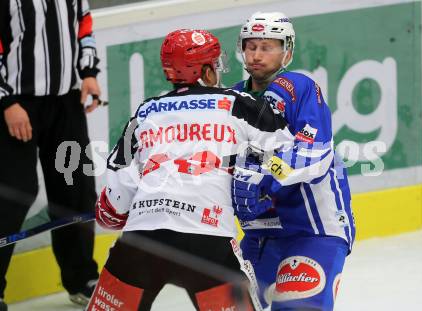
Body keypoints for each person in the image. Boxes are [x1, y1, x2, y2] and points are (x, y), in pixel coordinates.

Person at [87, 29, 298, 311]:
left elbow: (115, 198)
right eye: (215, 63)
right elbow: (288, 156)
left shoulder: (146, 112)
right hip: (208, 242)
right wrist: (255, 173)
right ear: (207, 72)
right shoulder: (239, 103)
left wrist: (109, 211)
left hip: (143, 240)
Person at [231, 12, 356, 311]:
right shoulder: (233, 96)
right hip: (259, 235)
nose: (257, 55)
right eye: (251, 46)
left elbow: (314, 157)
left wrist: (263, 174)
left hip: (313, 232)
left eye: (267, 47)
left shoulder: (298, 88)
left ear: (287, 50)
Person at [0, 0, 101, 309]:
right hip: (17, 105)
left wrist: (88, 71)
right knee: (13, 194)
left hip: (65, 104)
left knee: (76, 190)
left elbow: (83, 24)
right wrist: (6, 101)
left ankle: (81, 277)